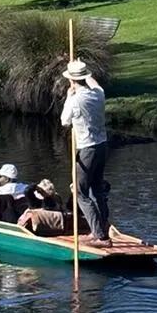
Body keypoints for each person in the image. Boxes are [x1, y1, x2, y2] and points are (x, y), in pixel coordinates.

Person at [61, 58, 111, 244]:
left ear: (71, 80)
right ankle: (102, 228)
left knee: (80, 192)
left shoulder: (75, 100)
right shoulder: (98, 94)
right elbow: (95, 83)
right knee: (97, 189)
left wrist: (68, 96)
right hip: (102, 146)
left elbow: (64, 121)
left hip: (87, 148)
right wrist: (83, 69)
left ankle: (99, 235)